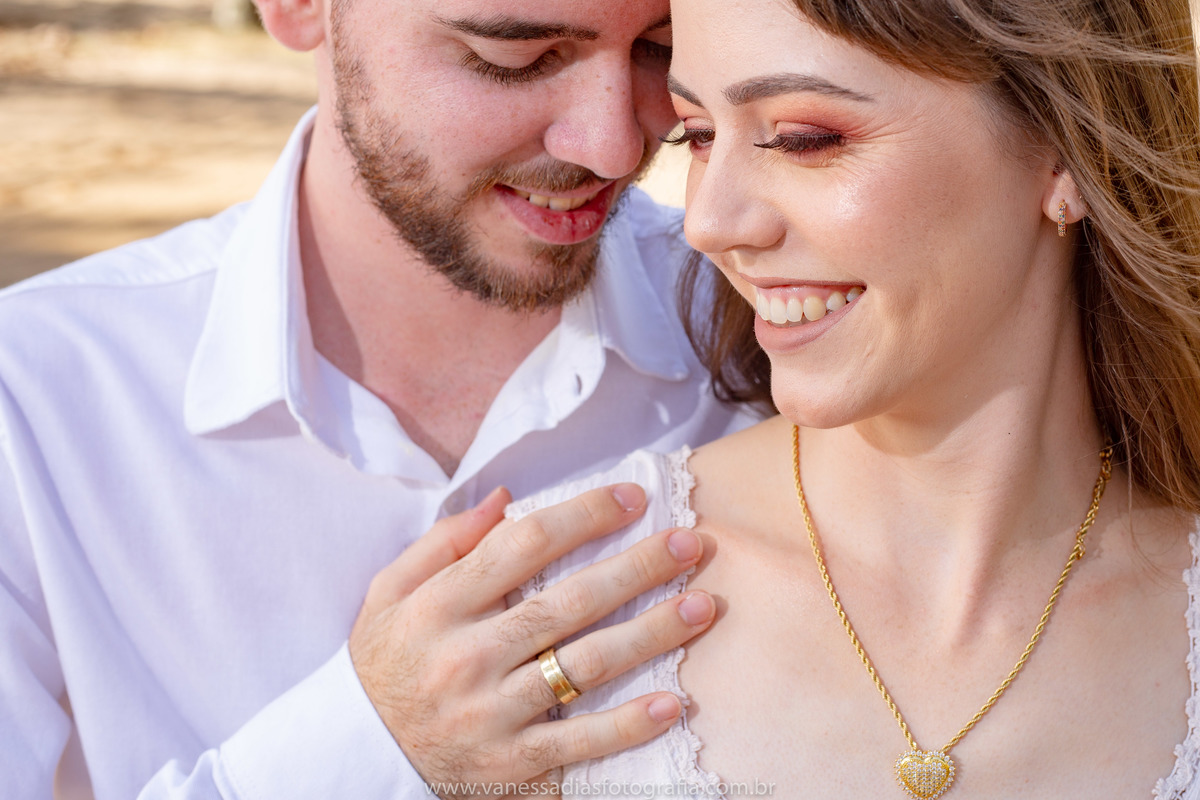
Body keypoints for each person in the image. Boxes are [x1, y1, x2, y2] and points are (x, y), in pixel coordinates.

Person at [0, 0, 760, 798]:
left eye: (658, 50)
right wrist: (373, 748)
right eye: (515, 56)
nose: (615, 145)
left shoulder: (777, 332)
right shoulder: (31, 406)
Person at [513, 0, 1200, 796]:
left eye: (805, 140)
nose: (708, 222)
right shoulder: (564, 615)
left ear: (1069, 153)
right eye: (697, 135)